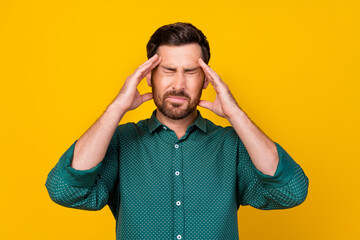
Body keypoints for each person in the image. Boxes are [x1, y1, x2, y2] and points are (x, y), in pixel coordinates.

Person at [45, 22, 309, 240]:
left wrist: (235, 114)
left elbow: (291, 192)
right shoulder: (120, 141)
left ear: (206, 80)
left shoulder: (231, 145)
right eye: (168, 71)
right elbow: (65, 191)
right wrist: (116, 108)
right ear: (149, 77)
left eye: (191, 72)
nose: (179, 84)